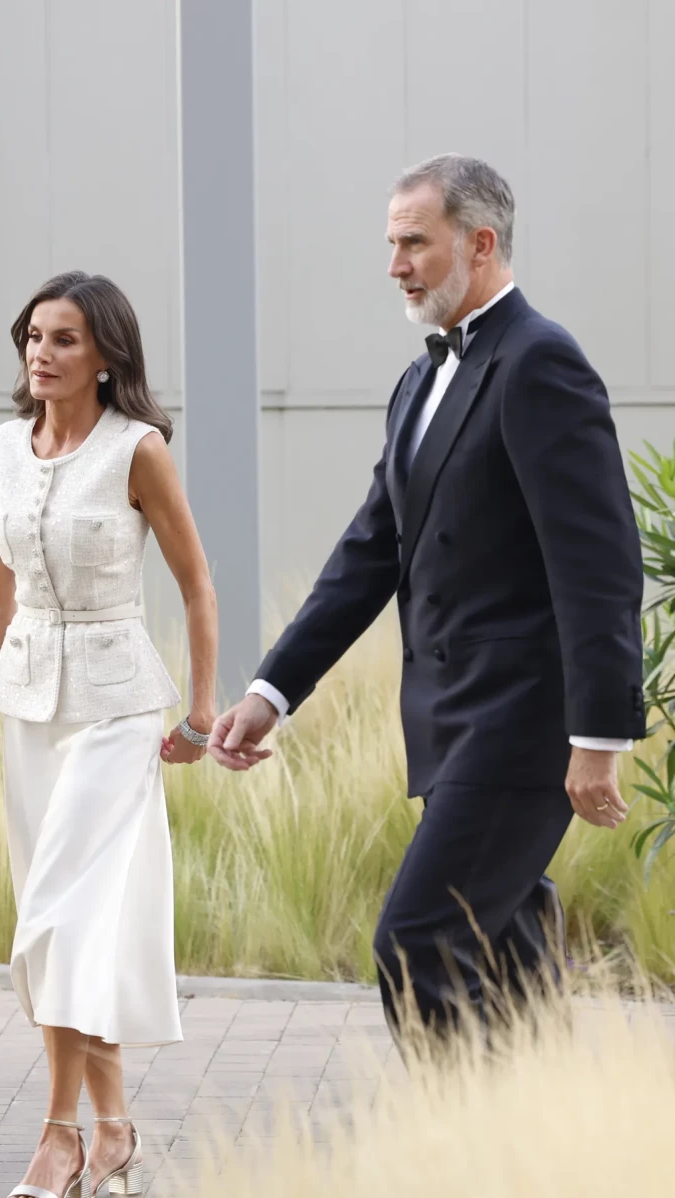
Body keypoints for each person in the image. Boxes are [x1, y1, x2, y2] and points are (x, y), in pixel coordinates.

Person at [209, 154, 646, 1042]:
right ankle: (538, 1152)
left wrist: (598, 739)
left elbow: (599, 567)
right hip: (450, 724)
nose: (395, 263)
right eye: (391, 243)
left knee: (418, 939)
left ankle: (454, 1148)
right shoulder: (418, 382)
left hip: (521, 730)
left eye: (415, 241)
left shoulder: (542, 363)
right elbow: (370, 552)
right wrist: (270, 693)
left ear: (480, 244)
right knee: (511, 958)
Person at [0, 271, 217, 1198]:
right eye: (33, 338)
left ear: (105, 357)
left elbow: (196, 585)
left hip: (120, 711)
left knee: (56, 920)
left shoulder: (140, 451)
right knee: (80, 925)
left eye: (62, 341)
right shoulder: (1, 450)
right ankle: (114, 1130)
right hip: (28, 712)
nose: (39, 355)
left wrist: (203, 709)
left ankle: (58, 1139)